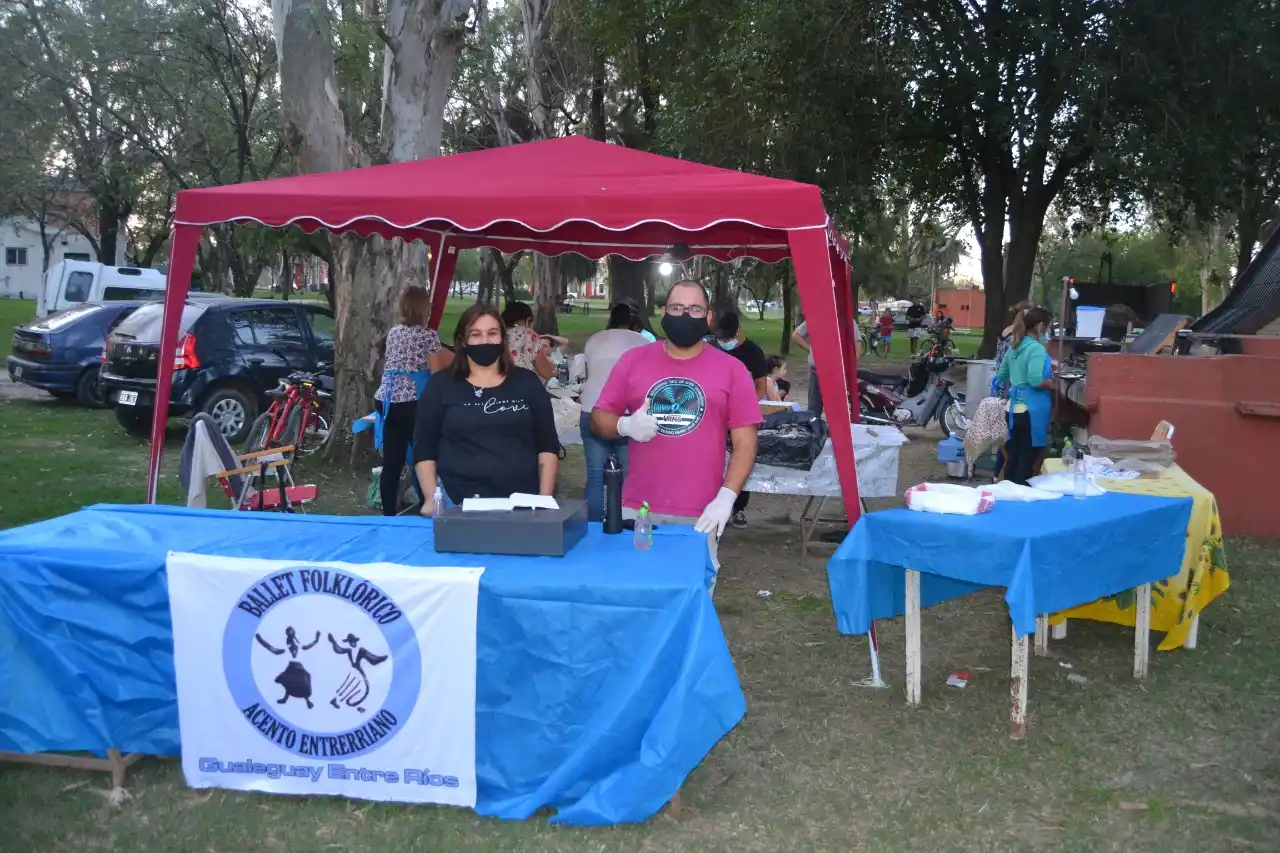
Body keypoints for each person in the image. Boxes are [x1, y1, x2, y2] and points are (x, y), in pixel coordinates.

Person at [591, 281, 761, 592]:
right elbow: (599, 418)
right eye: (676, 308)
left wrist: (727, 498)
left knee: (691, 603)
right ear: (664, 312)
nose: (685, 315)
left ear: (708, 317)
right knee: (636, 598)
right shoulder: (633, 361)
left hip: (701, 514)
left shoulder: (732, 370)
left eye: (694, 309)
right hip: (638, 510)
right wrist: (624, 426)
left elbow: (745, 443)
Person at [414, 304, 560, 513]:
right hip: (457, 502)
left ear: (503, 338)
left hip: (523, 502)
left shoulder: (527, 383)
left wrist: (544, 499)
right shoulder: (440, 386)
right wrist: (431, 498)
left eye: (492, 333)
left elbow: (547, 446)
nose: (485, 341)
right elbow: (425, 448)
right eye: (476, 334)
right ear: (463, 341)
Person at [373, 286, 452, 516]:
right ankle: (429, 503)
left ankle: (388, 514)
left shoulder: (394, 333)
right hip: (412, 401)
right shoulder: (428, 336)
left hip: (387, 399)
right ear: (424, 307)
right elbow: (437, 374)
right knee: (423, 456)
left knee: (393, 462)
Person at [579, 302, 649, 521]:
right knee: (628, 477)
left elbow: (588, 374)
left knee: (596, 476)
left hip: (591, 409)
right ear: (634, 323)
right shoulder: (643, 342)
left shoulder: (594, 339)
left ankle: (592, 531)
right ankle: (623, 527)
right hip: (627, 415)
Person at [715, 311, 768, 530]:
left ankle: (738, 509)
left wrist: (744, 408)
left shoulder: (753, 352)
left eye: (728, 339)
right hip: (716, 415)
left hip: (740, 417)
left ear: (738, 331)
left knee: (741, 458)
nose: (724, 343)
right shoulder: (712, 348)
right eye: (721, 339)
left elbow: (761, 386)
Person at [996, 306, 1054, 485]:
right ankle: (1020, 497)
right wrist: (1054, 383)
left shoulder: (1015, 346)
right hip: (1031, 411)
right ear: (1040, 326)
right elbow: (1036, 380)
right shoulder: (1036, 349)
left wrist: (1017, 378)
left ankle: (1008, 493)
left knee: (1013, 456)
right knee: (1027, 460)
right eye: (1048, 328)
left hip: (1013, 410)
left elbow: (1002, 375)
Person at [500, 301, 561, 381]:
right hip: (520, 387)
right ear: (528, 320)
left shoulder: (495, 333)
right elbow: (545, 372)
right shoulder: (528, 335)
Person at [790, 318, 822, 418]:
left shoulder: (845, 319)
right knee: (814, 409)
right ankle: (814, 429)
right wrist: (810, 348)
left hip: (837, 372)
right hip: (817, 371)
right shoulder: (816, 318)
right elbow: (796, 335)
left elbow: (857, 342)